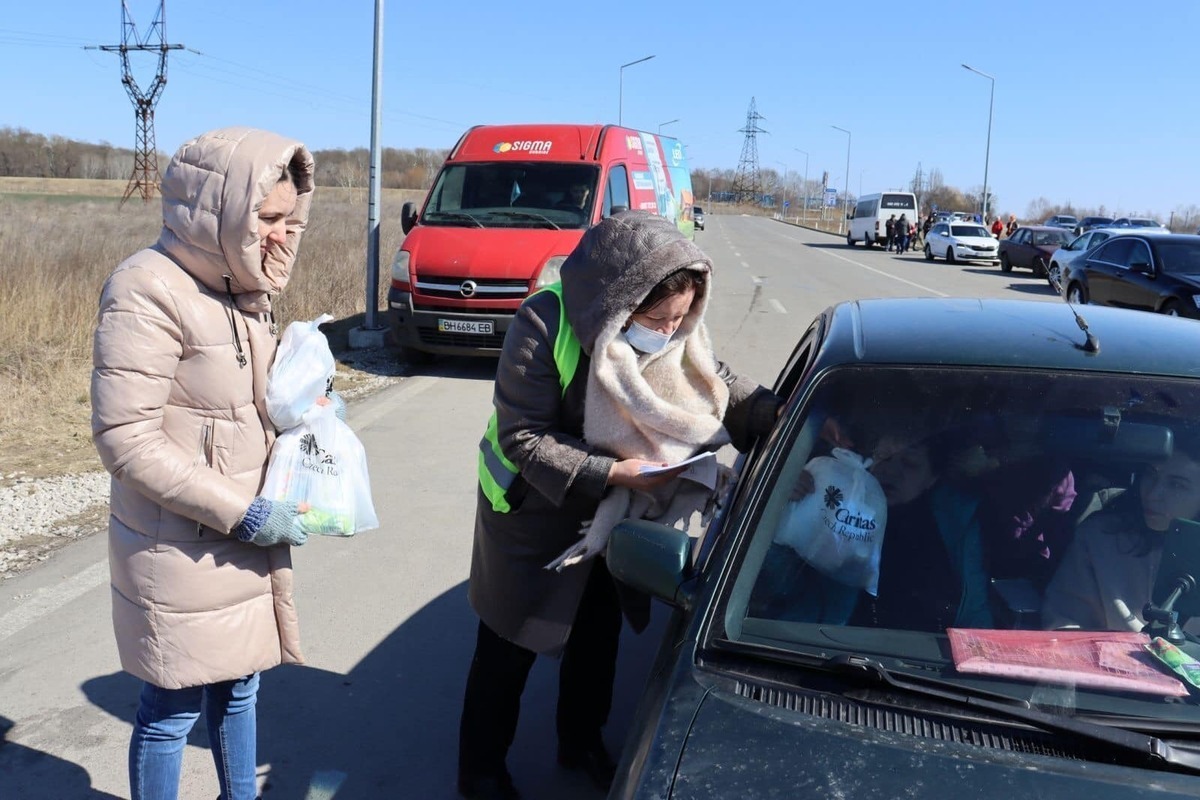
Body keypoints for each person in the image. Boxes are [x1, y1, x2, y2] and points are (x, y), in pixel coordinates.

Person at [461, 211, 781, 800]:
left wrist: (774, 414)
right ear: (618, 299)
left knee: (596, 637)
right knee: (508, 647)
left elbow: (715, 382)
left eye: (683, 317)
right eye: (658, 319)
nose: (670, 332)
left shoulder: (676, 332)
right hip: (531, 510)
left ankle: (580, 742)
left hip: (617, 511)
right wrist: (614, 471)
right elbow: (522, 438)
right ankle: (481, 771)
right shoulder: (544, 321)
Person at [91, 127, 319, 800]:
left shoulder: (242, 287)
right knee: (173, 707)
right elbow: (125, 438)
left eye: (289, 220)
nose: (281, 235)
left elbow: (238, 408)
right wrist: (243, 512)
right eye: (267, 220)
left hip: (245, 538)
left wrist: (309, 399)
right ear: (221, 213)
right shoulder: (146, 289)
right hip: (181, 542)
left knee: (241, 686)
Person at [752, 417, 993, 632]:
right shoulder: (831, 499)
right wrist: (782, 508)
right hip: (823, 644)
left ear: (932, 478)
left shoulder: (955, 523)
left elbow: (974, 605)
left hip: (926, 658)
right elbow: (773, 586)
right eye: (884, 457)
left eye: (909, 464)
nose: (891, 471)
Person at [1043, 437, 1200, 633]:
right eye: (1150, 475)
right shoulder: (1100, 539)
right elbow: (1064, 624)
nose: (1152, 494)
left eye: (1176, 485)